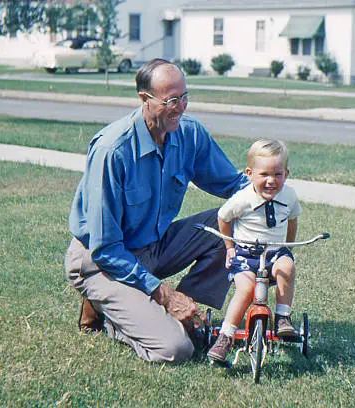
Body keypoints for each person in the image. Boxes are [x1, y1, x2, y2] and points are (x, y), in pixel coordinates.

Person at [64, 58, 247, 363]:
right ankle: (108, 314)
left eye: (184, 97)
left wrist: (268, 195)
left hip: (154, 246)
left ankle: (191, 316)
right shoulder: (112, 151)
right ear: (144, 100)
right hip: (103, 261)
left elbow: (233, 184)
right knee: (175, 349)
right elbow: (105, 247)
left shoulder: (190, 134)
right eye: (171, 100)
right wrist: (164, 294)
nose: (181, 107)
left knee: (234, 220)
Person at [207, 139, 302, 364]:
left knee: (287, 266)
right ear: (250, 173)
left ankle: (282, 318)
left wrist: (288, 247)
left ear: (286, 174)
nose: (271, 181)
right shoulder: (243, 198)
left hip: (274, 252)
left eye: (278, 174)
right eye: (264, 175)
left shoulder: (289, 196)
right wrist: (230, 248)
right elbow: (223, 217)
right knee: (246, 287)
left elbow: (293, 218)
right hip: (246, 254)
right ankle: (226, 336)